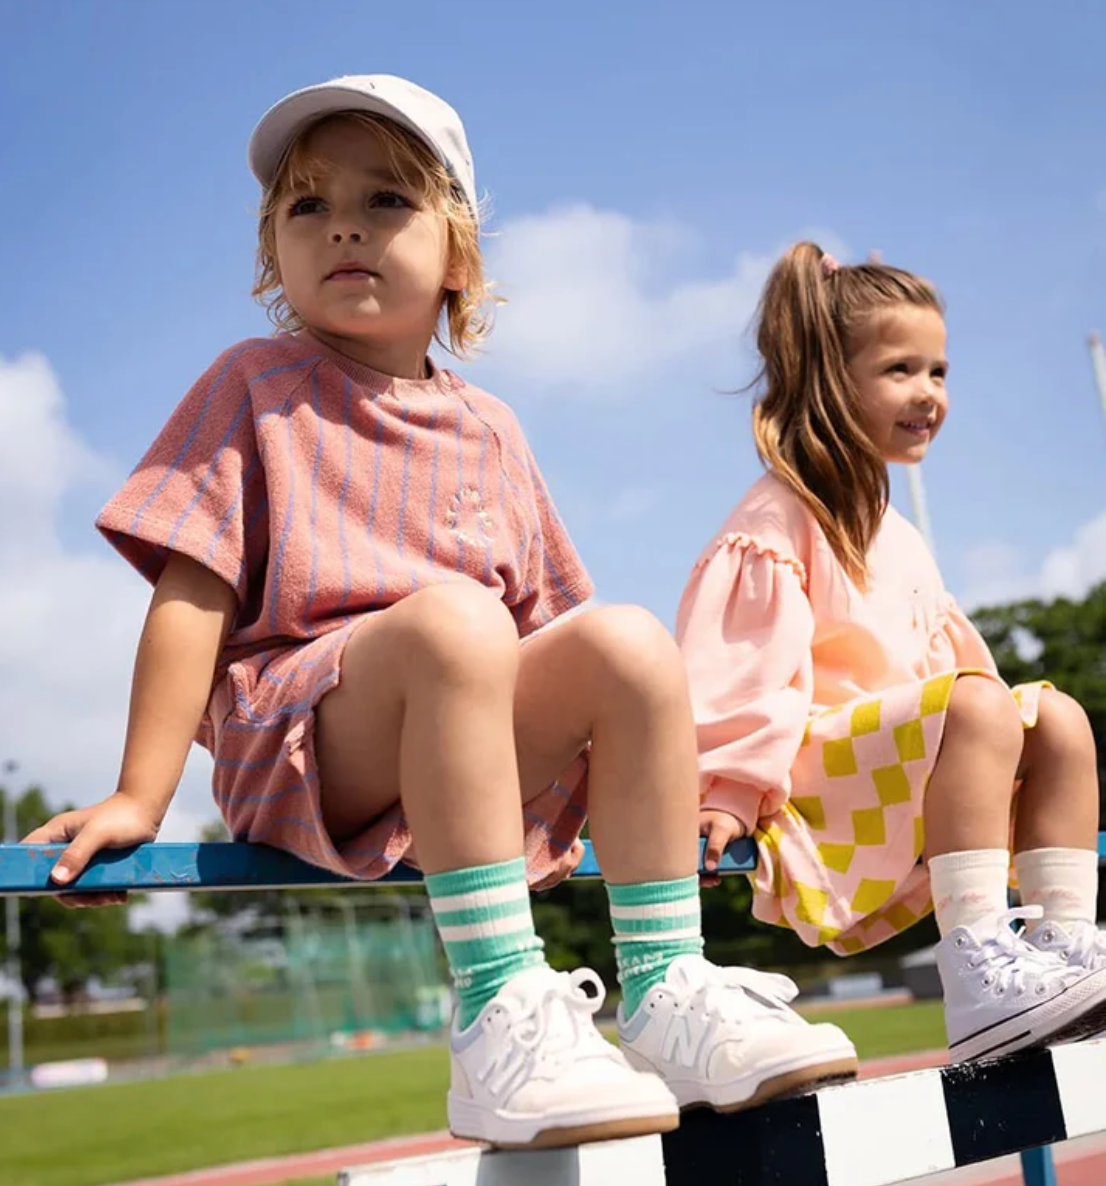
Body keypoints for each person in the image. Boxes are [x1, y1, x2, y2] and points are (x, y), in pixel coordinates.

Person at [24, 82, 855, 1146]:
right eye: (308, 206)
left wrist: (683, 801)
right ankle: (499, 1005)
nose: (344, 227)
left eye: (386, 200)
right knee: (458, 621)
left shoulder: (489, 427)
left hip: (464, 743)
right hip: (302, 739)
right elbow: (193, 591)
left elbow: (561, 641)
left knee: (631, 640)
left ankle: (665, 985)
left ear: (458, 253)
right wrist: (141, 794)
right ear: (273, 252)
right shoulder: (252, 384)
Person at [677, 241, 1106, 1063]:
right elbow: (738, 667)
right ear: (829, 379)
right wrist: (726, 787)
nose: (929, 392)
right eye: (900, 369)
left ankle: (1064, 945)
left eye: (938, 371)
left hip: (901, 761)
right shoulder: (779, 516)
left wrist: (1000, 744)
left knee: (1059, 717)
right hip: (813, 773)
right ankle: (978, 964)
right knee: (978, 701)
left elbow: (950, 666)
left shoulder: (894, 530)